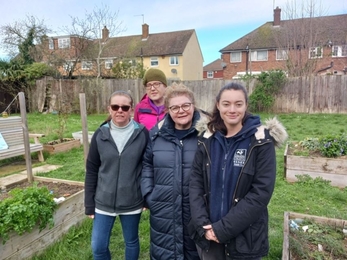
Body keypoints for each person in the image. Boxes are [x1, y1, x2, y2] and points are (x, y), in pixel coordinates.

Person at [188, 82, 288, 260]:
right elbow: (195, 183)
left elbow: (261, 193)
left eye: (238, 104)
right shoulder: (206, 139)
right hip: (209, 236)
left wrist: (223, 229)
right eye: (226, 104)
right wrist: (203, 224)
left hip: (245, 239)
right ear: (218, 105)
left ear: (246, 105)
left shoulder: (261, 141)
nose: (232, 109)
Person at [141, 83, 206, 260]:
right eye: (175, 107)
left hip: (196, 211)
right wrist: (149, 195)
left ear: (194, 105)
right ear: (168, 110)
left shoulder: (206, 135)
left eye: (186, 105)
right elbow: (147, 164)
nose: (181, 111)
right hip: (163, 210)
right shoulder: (156, 135)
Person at [84, 90, 149, 260]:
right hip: (103, 201)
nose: (120, 110)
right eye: (115, 106)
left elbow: (148, 167)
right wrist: (89, 203)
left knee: (131, 242)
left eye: (124, 107)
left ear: (131, 109)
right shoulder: (100, 134)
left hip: (132, 200)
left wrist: (146, 197)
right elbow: (91, 170)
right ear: (109, 109)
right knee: (98, 247)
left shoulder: (142, 134)